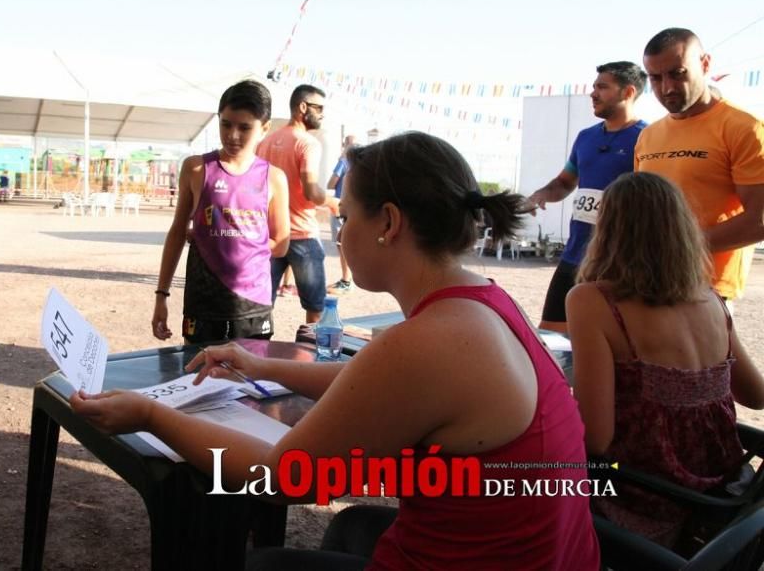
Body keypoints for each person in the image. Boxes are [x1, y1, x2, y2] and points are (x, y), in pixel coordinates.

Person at [75, 132, 600, 570]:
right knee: (353, 526)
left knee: (259, 564)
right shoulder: (484, 299)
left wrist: (151, 414)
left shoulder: (427, 343)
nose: (339, 234)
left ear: (389, 225)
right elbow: (375, 385)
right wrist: (261, 365)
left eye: (346, 218)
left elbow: (278, 478)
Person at [567, 171, 764, 547]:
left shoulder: (592, 300)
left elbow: (595, 439)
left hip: (645, 501)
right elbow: (756, 396)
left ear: (608, 232)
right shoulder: (712, 300)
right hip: (723, 499)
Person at [151, 80, 289, 344]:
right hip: (203, 303)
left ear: (265, 129)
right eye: (226, 124)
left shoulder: (274, 178)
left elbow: (281, 245)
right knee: (196, 377)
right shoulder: (196, 169)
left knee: (248, 382)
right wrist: (161, 295)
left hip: (252, 305)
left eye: (245, 127)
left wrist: (231, 243)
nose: (233, 135)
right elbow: (178, 232)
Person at [636, 27, 764, 302]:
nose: (667, 87)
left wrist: (679, 247)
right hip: (648, 282)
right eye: (655, 78)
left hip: (709, 290)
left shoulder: (744, 128)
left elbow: (760, 220)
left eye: (677, 73)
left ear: (705, 64)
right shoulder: (648, 135)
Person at [525, 61, 648, 333]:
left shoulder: (647, 138)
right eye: (594, 86)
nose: (593, 93)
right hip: (575, 255)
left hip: (620, 261)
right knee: (551, 335)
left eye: (602, 87)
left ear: (628, 92)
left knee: (610, 340)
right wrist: (541, 194)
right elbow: (564, 182)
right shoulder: (585, 137)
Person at [256, 84, 328, 324]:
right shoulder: (308, 143)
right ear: (303, 107)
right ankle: (310, 358)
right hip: (303, 234)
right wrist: (332, 201)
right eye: (319, 108)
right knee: (316, 308)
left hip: (270, 234)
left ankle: (257, 354)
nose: (322, 114)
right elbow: (311, 191)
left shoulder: (265, 142)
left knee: (260, 306)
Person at [325, 134, 356, 293]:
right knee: (347, 242)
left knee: (341, 243)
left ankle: (346, 280)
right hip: (354, 207)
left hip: (339, 206)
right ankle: (347, 279)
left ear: (345, 145)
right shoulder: (358, 164)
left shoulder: (343, 162)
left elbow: (331, 183)